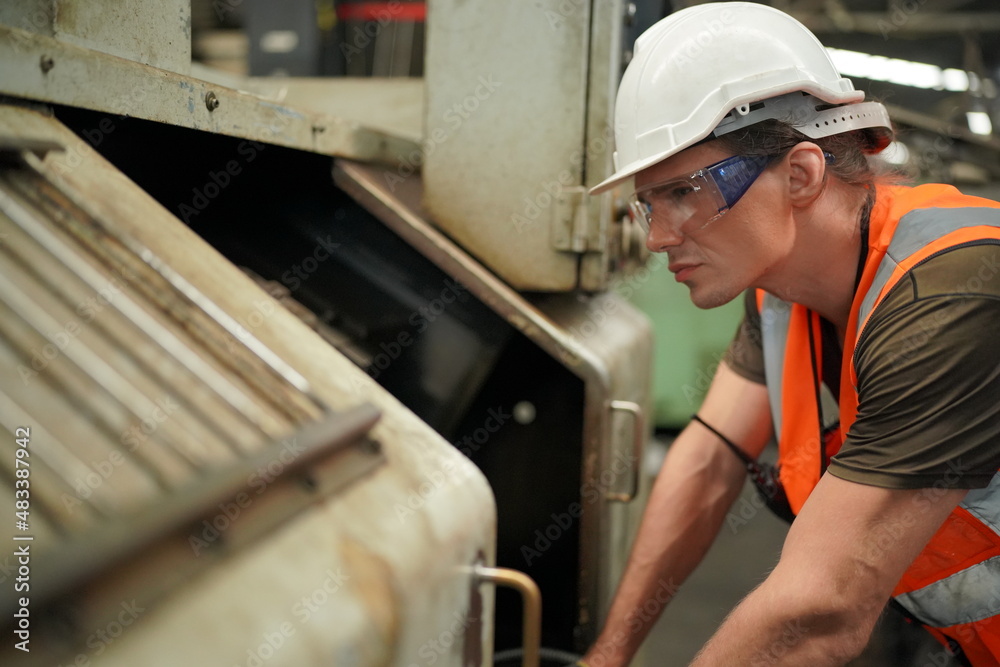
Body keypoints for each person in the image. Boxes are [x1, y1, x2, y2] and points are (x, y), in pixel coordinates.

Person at [581, 3, 1000, 666]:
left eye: (685, 192)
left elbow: (821, 610)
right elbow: (706, 461)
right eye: (647, 203)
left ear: (801, 174)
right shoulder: (782, 294)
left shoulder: (951, 292)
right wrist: (607, 654)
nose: (658, 235)